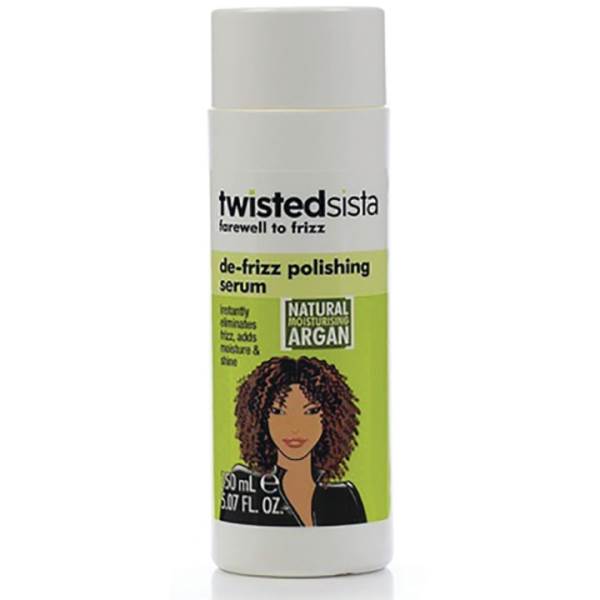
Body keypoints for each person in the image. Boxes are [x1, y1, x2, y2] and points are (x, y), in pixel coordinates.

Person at [219, 356, 367, 526]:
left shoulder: (345, 497)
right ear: (260, 418)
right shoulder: (244, 482)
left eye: (310, 411)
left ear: (330, 417)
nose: (295, 427)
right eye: (278, 412)